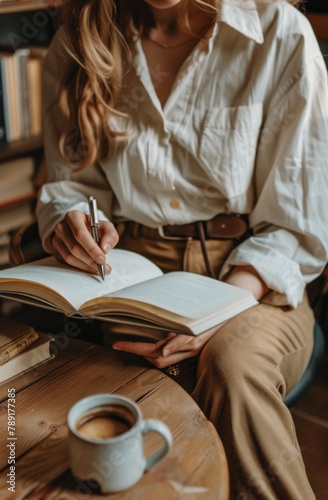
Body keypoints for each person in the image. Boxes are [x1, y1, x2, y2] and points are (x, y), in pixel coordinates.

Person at [36, 0, 328, 497]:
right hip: (128, 276)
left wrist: (218, 310)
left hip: (255, 275)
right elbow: (69, 184)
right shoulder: (79, 40)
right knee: (85, 404)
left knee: (231, 365)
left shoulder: (279, 32)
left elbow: (294, 228)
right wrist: (72, 219)